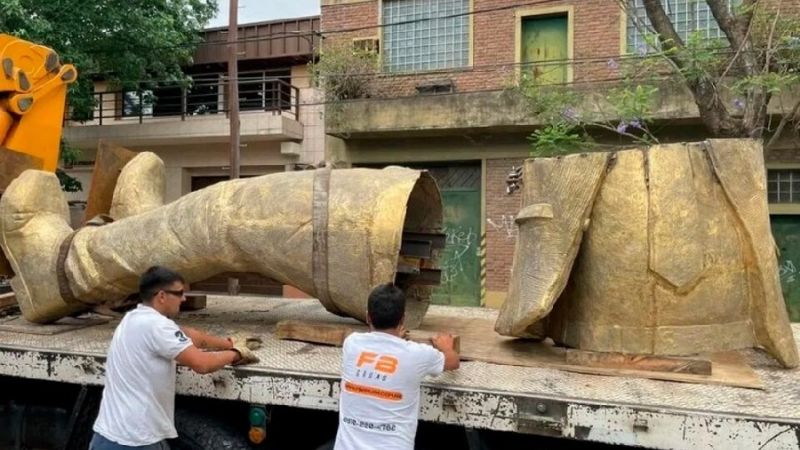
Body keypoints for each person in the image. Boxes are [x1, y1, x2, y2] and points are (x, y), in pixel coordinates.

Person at [90, 266, 259, 450]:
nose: (184, 298)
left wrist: (229, 343)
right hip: (135, 441)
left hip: (107, 436)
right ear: (161, 296)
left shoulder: (134, 318)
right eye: (179, 293)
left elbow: (191, 336)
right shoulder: (157, 327)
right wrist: (236, 354)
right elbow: (202, 364)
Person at [334, 283, 460, 450]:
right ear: (402, 319)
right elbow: (453, 362)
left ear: (367, 317)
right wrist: (445, 346)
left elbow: (380, 347)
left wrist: (394, 339)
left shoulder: (352, 344)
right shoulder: (417, 354)